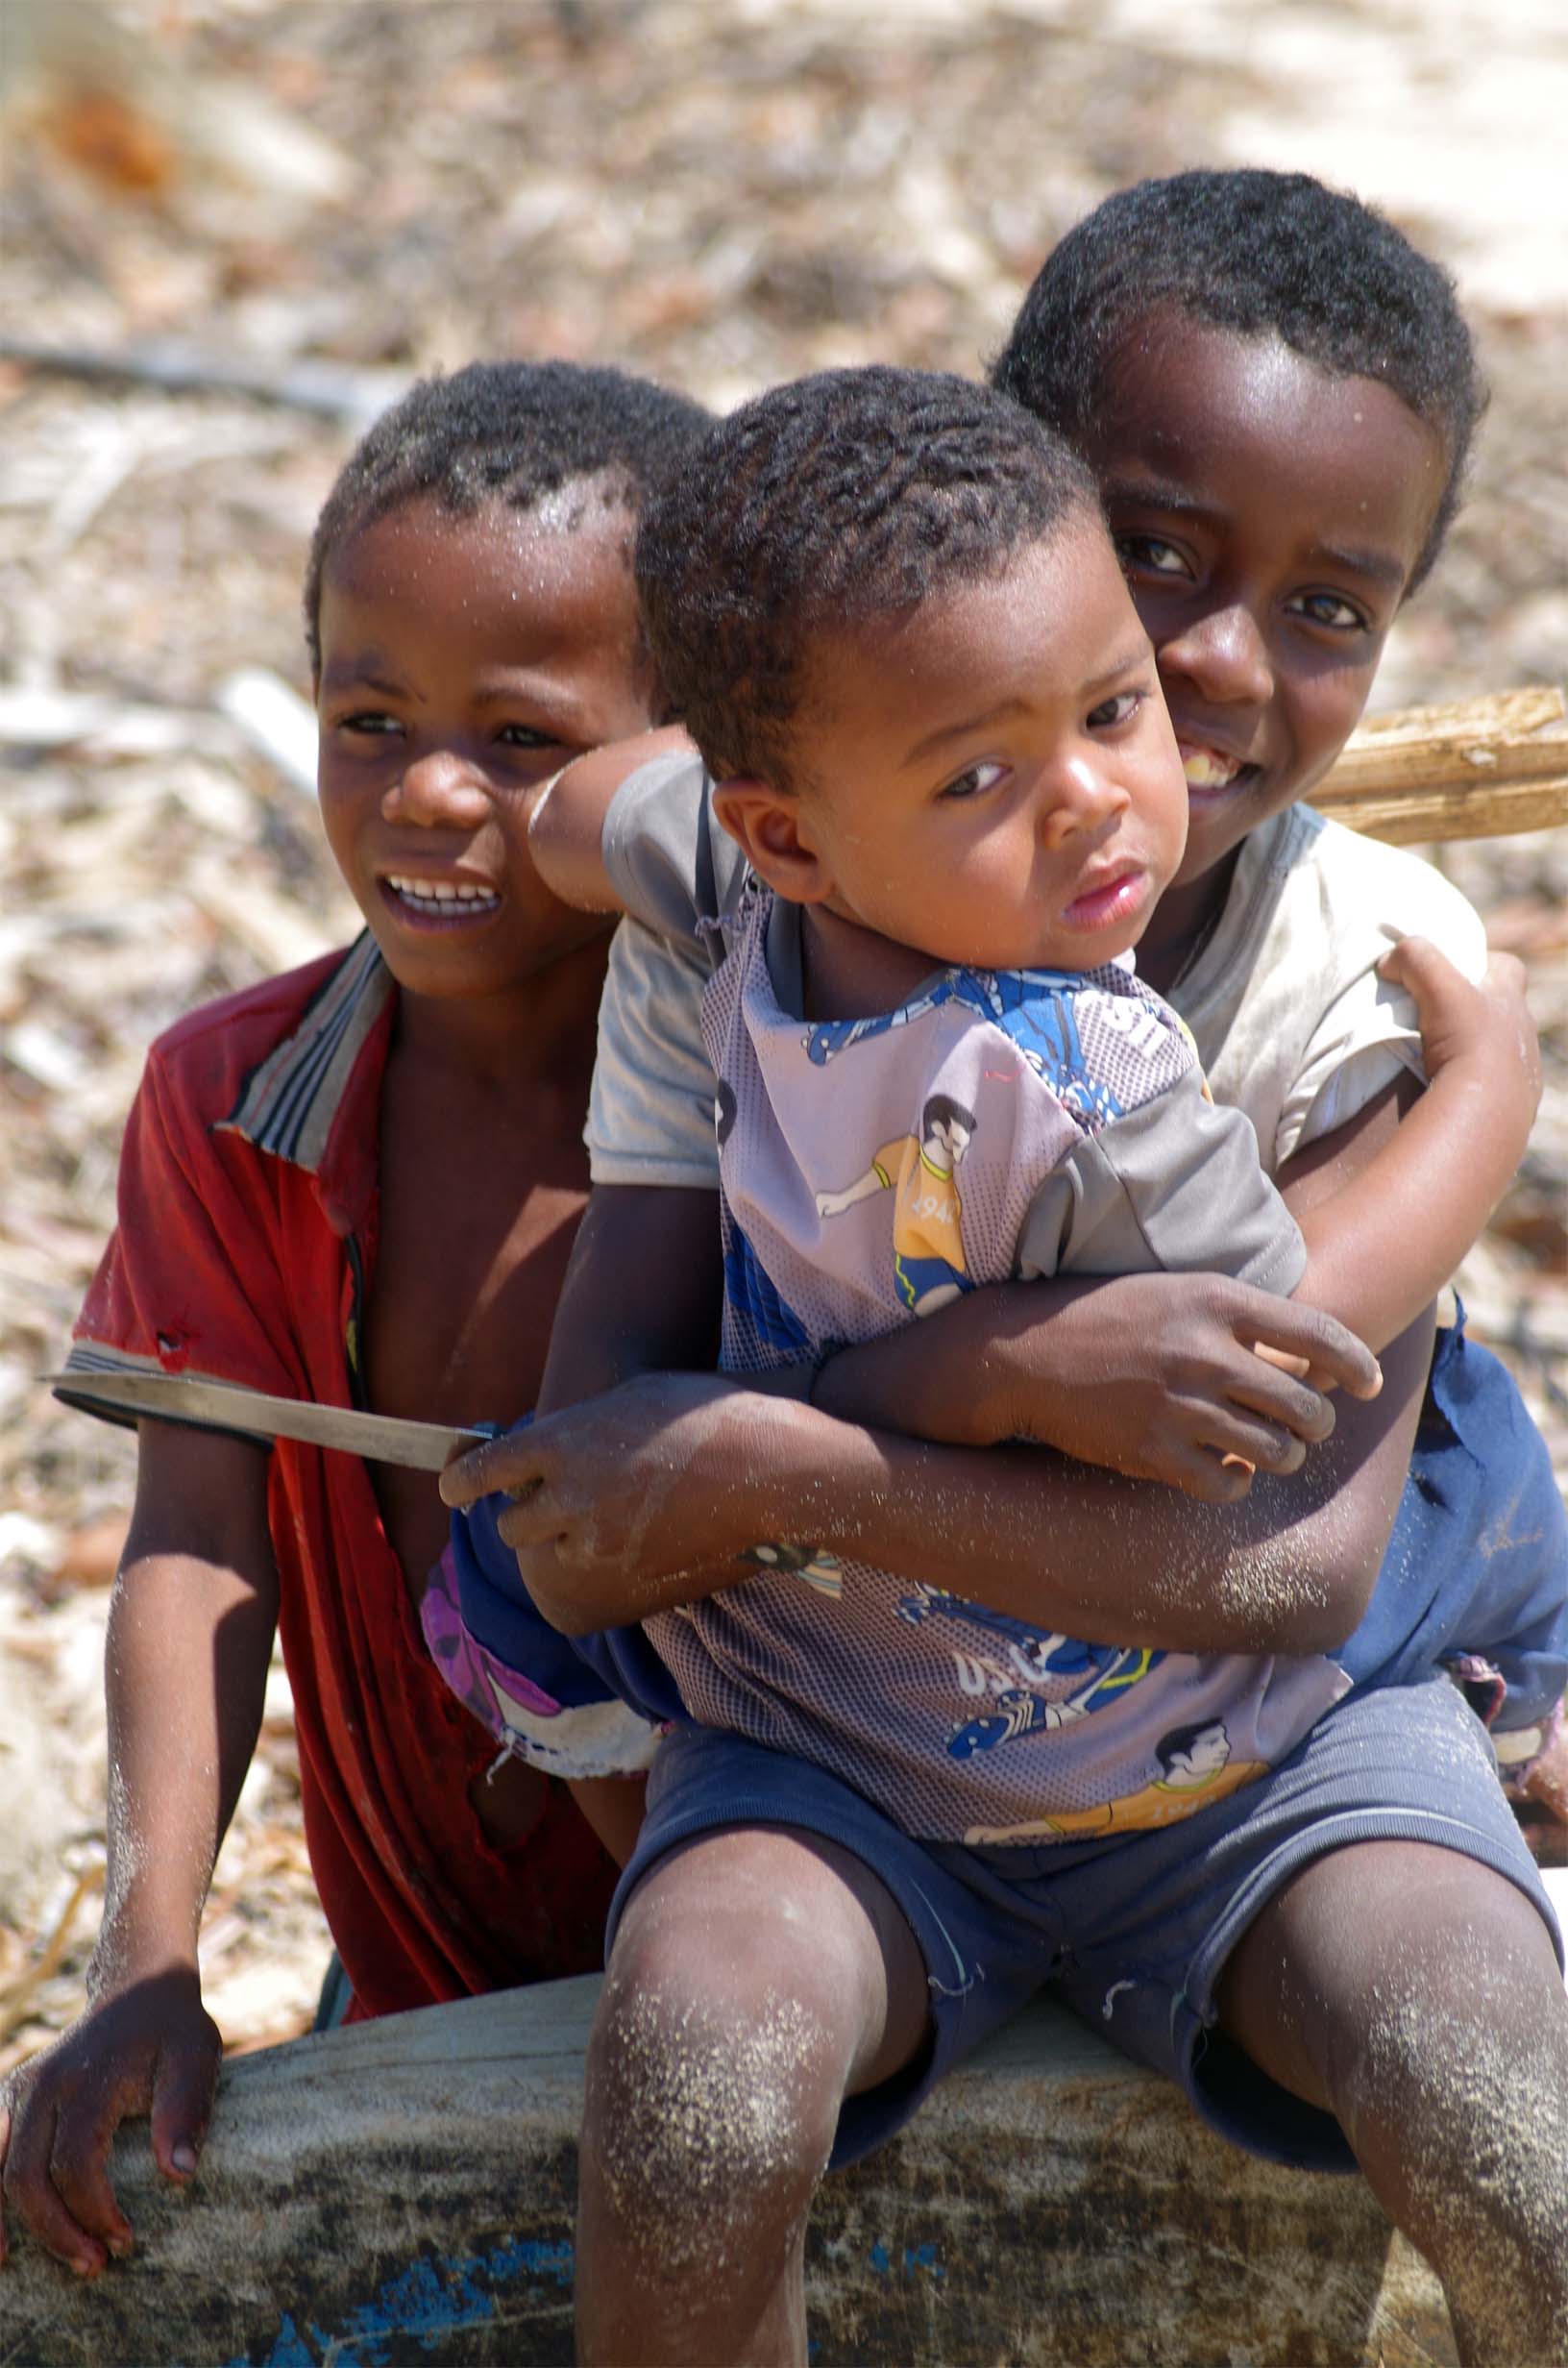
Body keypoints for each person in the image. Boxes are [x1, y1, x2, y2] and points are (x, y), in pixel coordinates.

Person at [443, 186, 1568, 2362]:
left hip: (1269, 1761)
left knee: (1499, 2094)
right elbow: (609, 1476)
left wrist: (800, 1461)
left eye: (1326, 607)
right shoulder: (736, 917)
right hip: (833, 1752)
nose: (1215, 669)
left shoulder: (1356, 990)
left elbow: (1284, 1568)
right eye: (1158, 555)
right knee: (696, 2081)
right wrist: (969, 1379)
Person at [0, 358, 708, 2282]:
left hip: (784, 1983)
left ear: (694, 751)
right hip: (415, 1998)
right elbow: (195, 1539)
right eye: (367, 719)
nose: (428, 791)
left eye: (523, 736)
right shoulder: (236, 1106)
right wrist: (145, 1961)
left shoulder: (801, 1113)